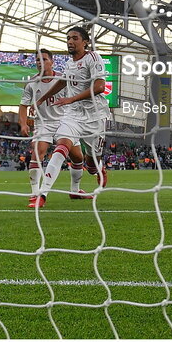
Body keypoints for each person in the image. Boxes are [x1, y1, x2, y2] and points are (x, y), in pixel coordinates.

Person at [30, 26, 108, 208]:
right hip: (72, 115)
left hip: (95, 116)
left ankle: (98, 167)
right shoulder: (69, 63)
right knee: (62, 146)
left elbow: (99, 87)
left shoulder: (93, 58)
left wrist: (70, 98)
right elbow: (63, 81)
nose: (70, 42)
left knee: (91, 162)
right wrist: (41, 100)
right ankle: (42, 195)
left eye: (75, 38)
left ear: (85, 41)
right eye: (68, 39)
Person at [19, 49, 69, 206]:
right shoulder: (32, 83)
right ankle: (35, 193)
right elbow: (23, 105)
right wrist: (23, 123)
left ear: (52, 62)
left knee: (78, 157)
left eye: (44, 59)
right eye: (38, 60)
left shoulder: (62, 79)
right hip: (43, 122)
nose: (40, 63)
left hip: (64, 121)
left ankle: (76, 188)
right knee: (37, 152)